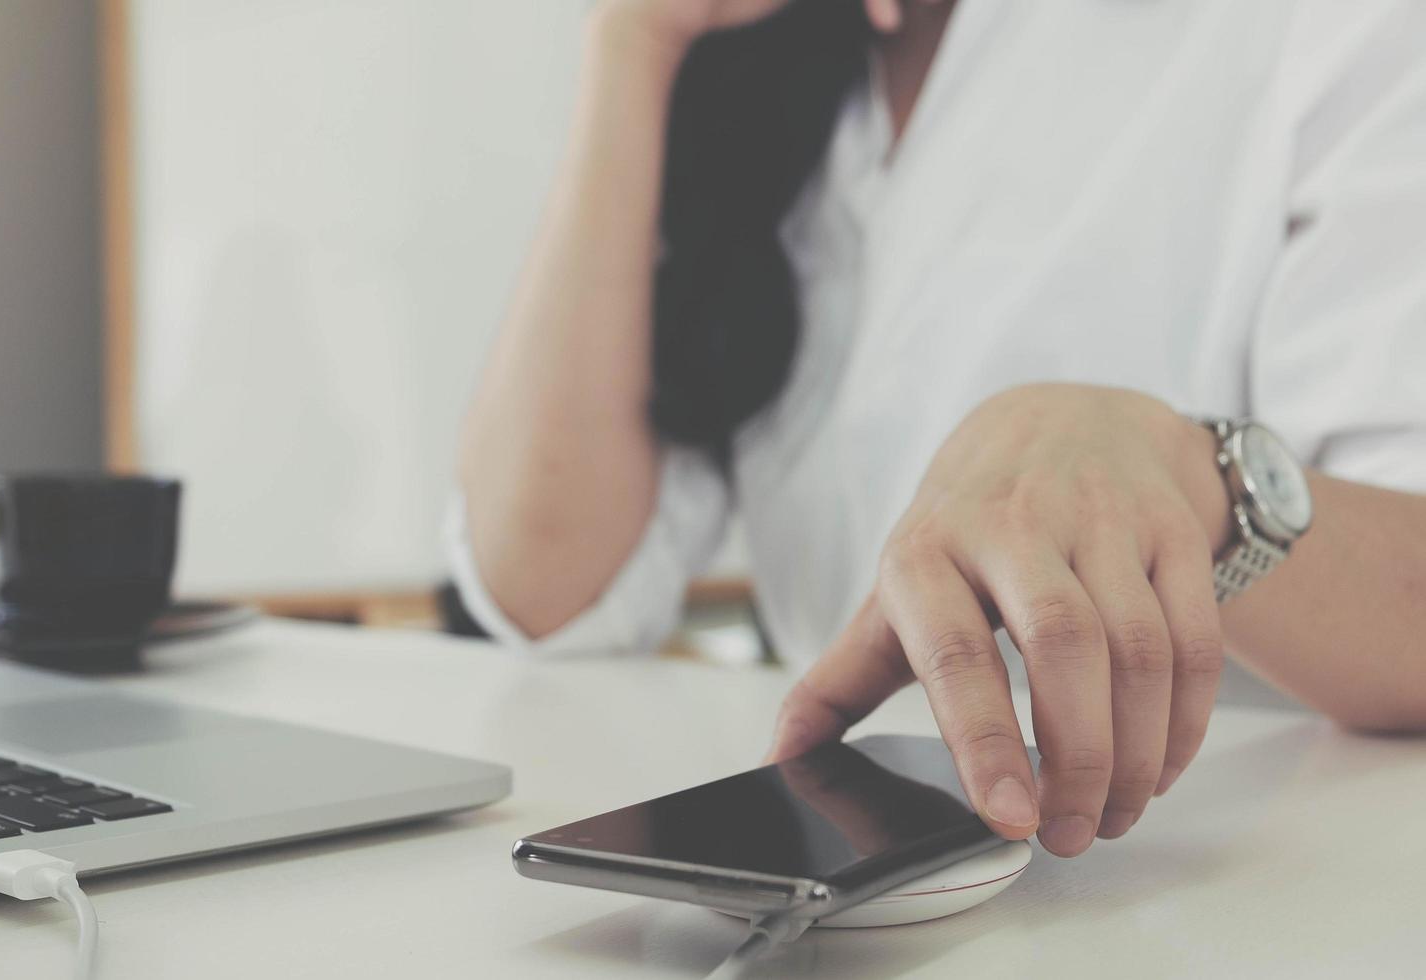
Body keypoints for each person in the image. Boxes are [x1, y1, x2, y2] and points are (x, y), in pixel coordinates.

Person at [446, 0, 1426, 859]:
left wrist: (1189, 479)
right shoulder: (760, 63)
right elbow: (546, 590)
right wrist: (633, 36)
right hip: (851, 869)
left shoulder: (1321, 25)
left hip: (1250, 868)